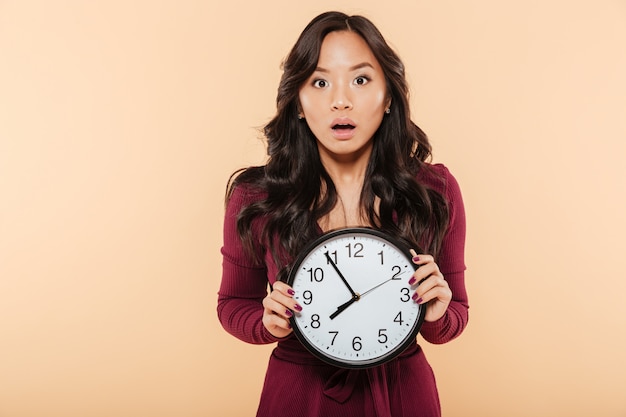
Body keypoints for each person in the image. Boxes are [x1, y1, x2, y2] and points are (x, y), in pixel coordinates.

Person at [217, 11, 468, 417]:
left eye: (361, 79)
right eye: (319, 82)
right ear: (297, 102)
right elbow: (232, 303)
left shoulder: (434, 191)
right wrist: (267, 323)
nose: (340, 100)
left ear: (388, 97)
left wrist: (439, 313)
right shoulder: (255, 196)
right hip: (298, 397)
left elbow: (457, 313)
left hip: (403, 395)